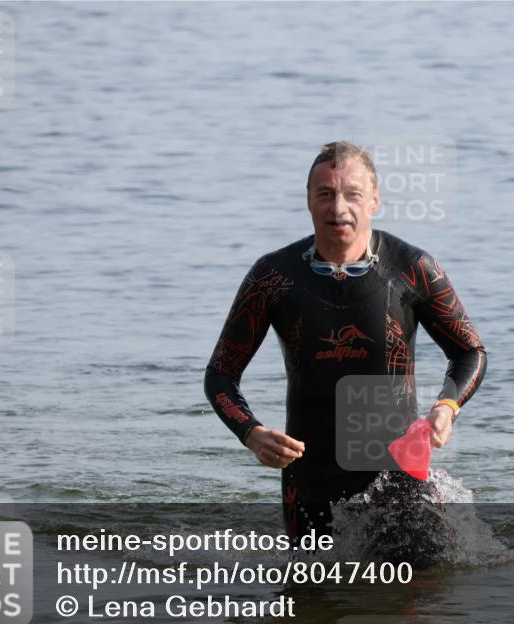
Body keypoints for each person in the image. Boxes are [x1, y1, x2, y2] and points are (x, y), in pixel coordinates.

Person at [204, 141, 486, 538]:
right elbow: (220, 373)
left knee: (419, 594)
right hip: (309, 482)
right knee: (311, 596)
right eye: (325, 194)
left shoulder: (413, 269)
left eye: (352, 194)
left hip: (399, 478)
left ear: (374, 200)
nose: (339, 209)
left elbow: (469, 351)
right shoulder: (273, 278)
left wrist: (446, 406)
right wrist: (251, 433)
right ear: (308, 200)